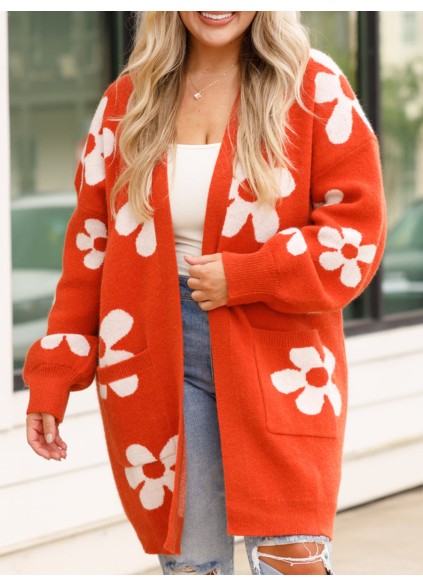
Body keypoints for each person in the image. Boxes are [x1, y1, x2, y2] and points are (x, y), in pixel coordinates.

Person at [23, 11, 386, 575]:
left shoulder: (312, 86)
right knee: (193, 568)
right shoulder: (128, 101)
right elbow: (90, 249)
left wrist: (248, 274)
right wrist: (54, 374)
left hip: (279, 360)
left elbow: (356, 237)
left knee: (290, 561)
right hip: (155, 351)